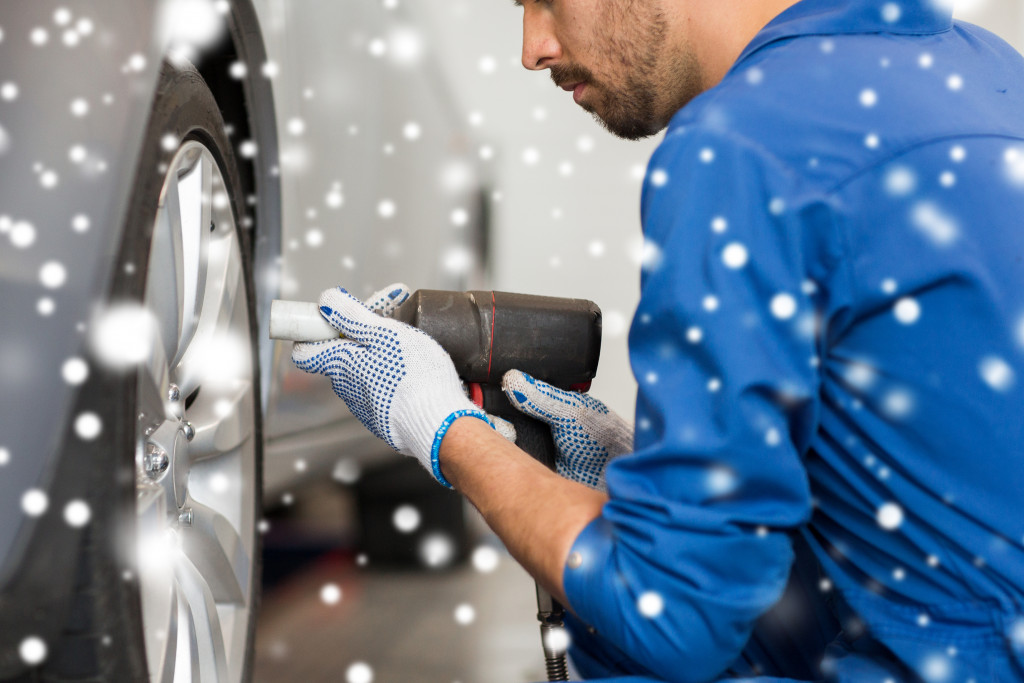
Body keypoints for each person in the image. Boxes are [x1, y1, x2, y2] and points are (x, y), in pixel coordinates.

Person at [292, 0, 1024, 680]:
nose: (532, 49)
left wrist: (445, 429)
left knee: (622, 624)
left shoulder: (742, 144)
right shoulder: (986, 69)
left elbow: (672, 614)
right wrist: (645, 482)